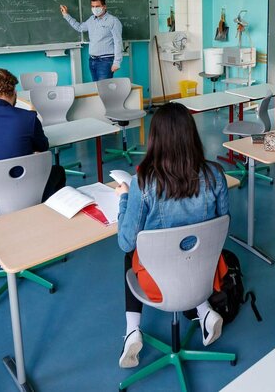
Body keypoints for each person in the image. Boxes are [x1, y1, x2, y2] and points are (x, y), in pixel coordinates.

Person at [114, 103, 229, 369]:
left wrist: (123, 199)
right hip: (204, 275)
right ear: (192, 135)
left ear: (155, 139)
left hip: (158, 282)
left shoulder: (142, 183)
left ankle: (133, 330)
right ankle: (204, 311)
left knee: (131, 253)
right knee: (196, 247)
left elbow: (125, 242)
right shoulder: (216, 175)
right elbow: (223, 227)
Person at [0, 68, 65, 215]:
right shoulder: (27, 118)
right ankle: (49, 218)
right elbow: (43, 147)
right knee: (58, 171)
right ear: (14, 90)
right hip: (25, 196)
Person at [60, 0, 123, 81]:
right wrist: (66, 15)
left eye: (97, 6)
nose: (95, 9)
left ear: (104, 6)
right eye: (92, 6)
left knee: (104, 89)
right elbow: (79, 27)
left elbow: (118, 42)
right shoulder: (91, 20)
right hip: (92, 60)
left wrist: (117, 62)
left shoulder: (113, 21)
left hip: (105, 61)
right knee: (96, 87)